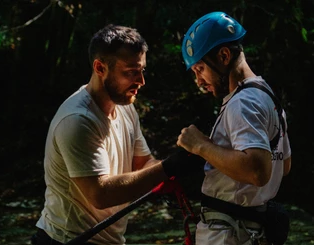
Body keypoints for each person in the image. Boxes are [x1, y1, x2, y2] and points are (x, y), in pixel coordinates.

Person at [32, 24, 196, 245]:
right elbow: (100, 194)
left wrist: (175, 169)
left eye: (142, 70)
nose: (141, 81)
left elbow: (143, 163)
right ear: (100, 68)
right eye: (130, 72)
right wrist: (167, 168)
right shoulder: (77, 120)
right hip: (66, 240)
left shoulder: (125, 107)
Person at [177, 12, 292, 245]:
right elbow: (284, 165)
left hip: (228, 234)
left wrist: (201, 146)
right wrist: (218, 156)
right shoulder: (267, 95)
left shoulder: (243, 102)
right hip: (250, 230)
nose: (198, 81)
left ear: (224, 55)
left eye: (199, 69)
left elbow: (258, 171)